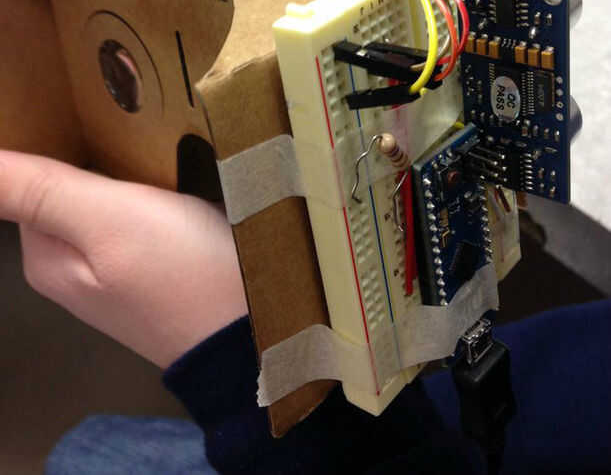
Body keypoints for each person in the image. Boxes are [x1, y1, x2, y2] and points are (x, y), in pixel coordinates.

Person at [0, 149, 609, 475]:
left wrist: (246, 360)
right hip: (500, 410)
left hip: (369, 444)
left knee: (86, 452)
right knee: (91, 447)